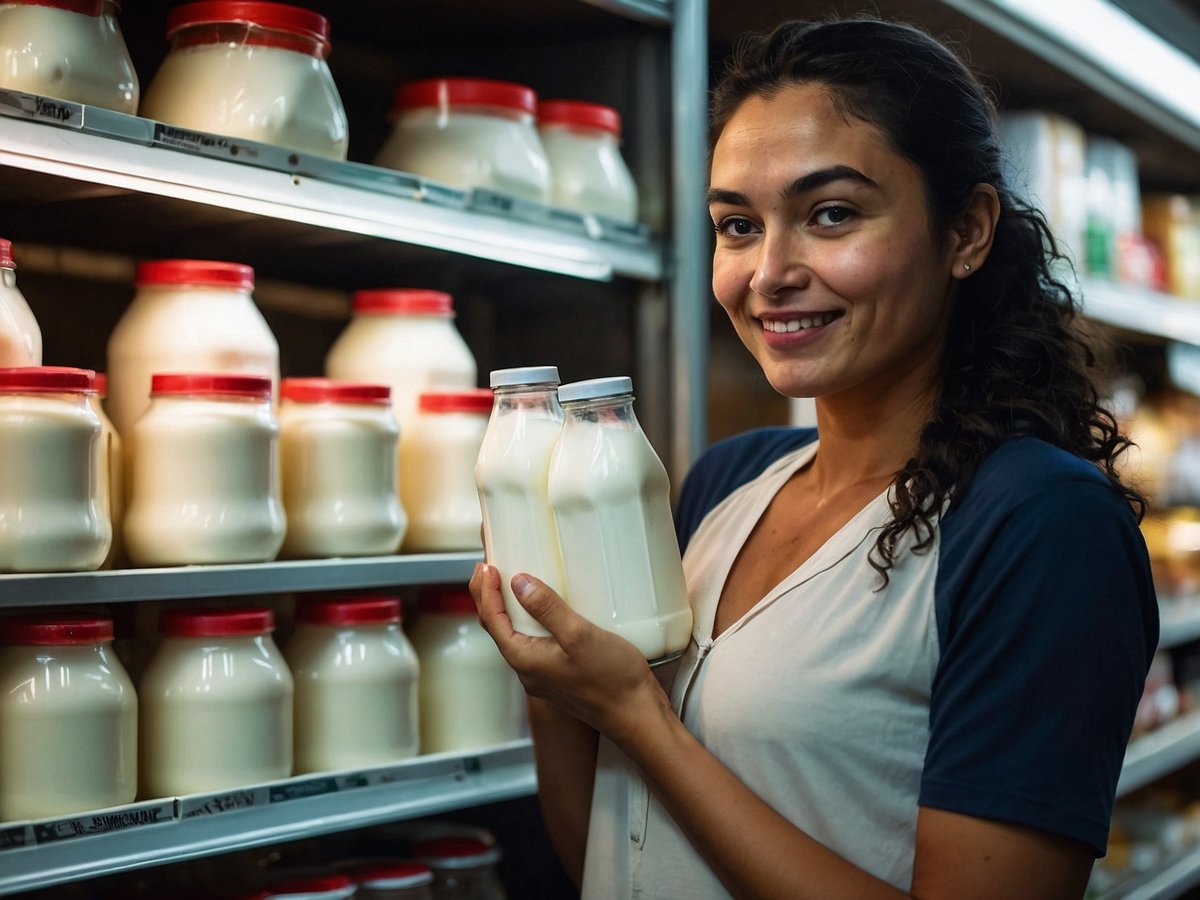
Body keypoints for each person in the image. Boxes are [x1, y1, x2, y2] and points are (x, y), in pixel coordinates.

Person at [469, 15, 1159, 900]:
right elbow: (616, 858)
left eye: (831, 214)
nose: (770, 272)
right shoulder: (728, 483)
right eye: (737, 225)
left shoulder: (1040, 523)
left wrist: (638, 719)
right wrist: (554, 687)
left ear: (967, 231)